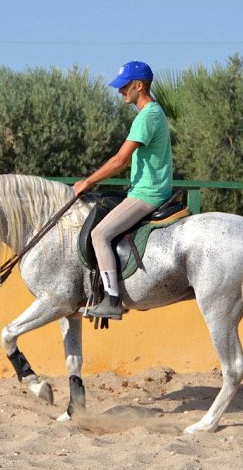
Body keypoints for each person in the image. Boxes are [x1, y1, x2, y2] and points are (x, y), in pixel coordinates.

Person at [73, 61, 173, 320]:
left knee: (100, 234)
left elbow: (120, 160)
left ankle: (113, 300)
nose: (120, 92)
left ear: (139, 86)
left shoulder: (146, 117)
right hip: (147, 190)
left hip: (147, 194)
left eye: (124, 86)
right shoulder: (154, 113)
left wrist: (87, 182)